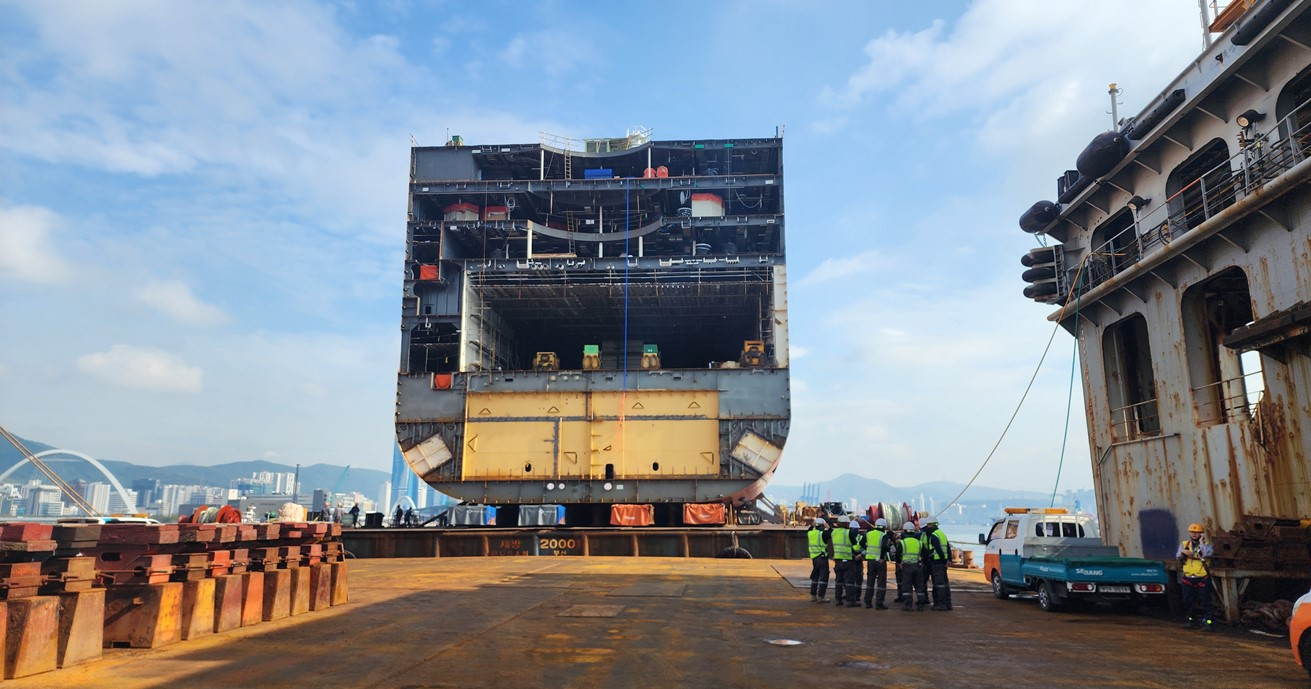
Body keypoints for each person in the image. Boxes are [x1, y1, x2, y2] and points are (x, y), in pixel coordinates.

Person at [1177, 522, 1214, 631]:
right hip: (1188, 577)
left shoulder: (1207, 545)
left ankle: (1207, 622)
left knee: (1205, 601)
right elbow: (1178, 555)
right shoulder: (1184, 544)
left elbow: (1205, 554)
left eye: (1197, 532)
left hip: (1202, 577)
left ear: (1201, 534)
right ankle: (1191, 620)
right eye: (1192, 532)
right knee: (1188, 600)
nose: (1194, 534)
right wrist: (1185, 553)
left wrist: (1200, 544)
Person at [896, 521, 928, 611]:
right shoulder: (919, 542)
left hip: (907, 567)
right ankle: (921, 604)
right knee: (919, 586)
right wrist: (921, 562)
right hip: (918, 566)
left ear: (904, 531)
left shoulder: (902, 543)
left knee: (907, 586)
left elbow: (897, 555)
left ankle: (908, 605)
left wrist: (900, 563)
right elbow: (925, 554)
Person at [922, 520, 953, 611]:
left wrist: (943, 560)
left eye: (928, 525)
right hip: (942, 562)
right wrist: (948, 560)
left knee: (939, 584)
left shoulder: (934, 535)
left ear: (932, 525)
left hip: (937, 562)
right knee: (945, 583)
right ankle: (948, 603)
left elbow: (938, 550)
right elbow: (947, 547)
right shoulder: (942, 534)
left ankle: (941, 604)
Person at [863, 518, 894, 610]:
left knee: (870, 582)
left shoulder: (868, 534)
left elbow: (861, 543)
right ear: (884, 527)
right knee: (881, 582)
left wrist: (868, 549)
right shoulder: (883, 535)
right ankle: (879, 603)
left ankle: (868, 602)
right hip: (880, 562)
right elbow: (885, 546)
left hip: (870, 561)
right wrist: (881, 557)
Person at [830, 515, 855, 606]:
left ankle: (838, 600)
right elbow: (855, 545)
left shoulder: (834, 532)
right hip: (848, 559)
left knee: (839, 581)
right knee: (849, 581)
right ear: (846, 524)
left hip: (838, 559)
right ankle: (850, 601)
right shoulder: (849, 532)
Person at [807, 517, 832, 602]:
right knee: (823, 577)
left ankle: (813, 595)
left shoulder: (810, 533)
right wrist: (828, 527)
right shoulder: (823, 534)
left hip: (814, 558)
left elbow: (809, 529)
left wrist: (812, 525)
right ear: (822, 525)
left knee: (815, 576)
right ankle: (821, 596)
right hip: (822, 557)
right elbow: (831, 533)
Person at [844, 518, 866, 607]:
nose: (855, 531)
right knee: (849, 579)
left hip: (857, 559)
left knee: (858, 579)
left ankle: (856, 596)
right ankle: (849, 595)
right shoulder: (848, 536)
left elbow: (866, 548)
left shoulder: (861, 537)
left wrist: (861, 555)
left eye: (855, 529)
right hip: (851, 558)